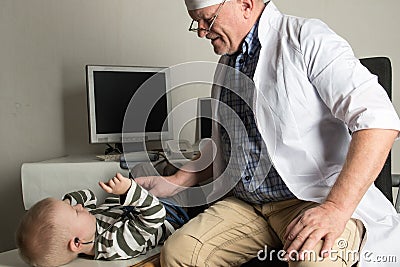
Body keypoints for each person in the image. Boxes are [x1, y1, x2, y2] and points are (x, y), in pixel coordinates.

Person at [134, 0, 400, 266]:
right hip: (248, 206)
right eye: (197, 22)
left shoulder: (306, 38)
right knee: (179, 254)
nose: (202, 31)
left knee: (313, 262)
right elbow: (230, 145)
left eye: (209, 20)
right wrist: (177, 180)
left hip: (311, 199)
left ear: (246, 5)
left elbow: (379, 121)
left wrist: (336, 209)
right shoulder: (228, 63)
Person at [15, 173, 188, 267]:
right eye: (74, 212)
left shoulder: (87, 226)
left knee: (140, 170)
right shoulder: (115, 244)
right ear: (76, 243)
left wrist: (66, 203)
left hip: (141, 204)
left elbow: (88, 196)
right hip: (170, 213)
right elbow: (156, 214)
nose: (79, 207)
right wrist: (129, 190)